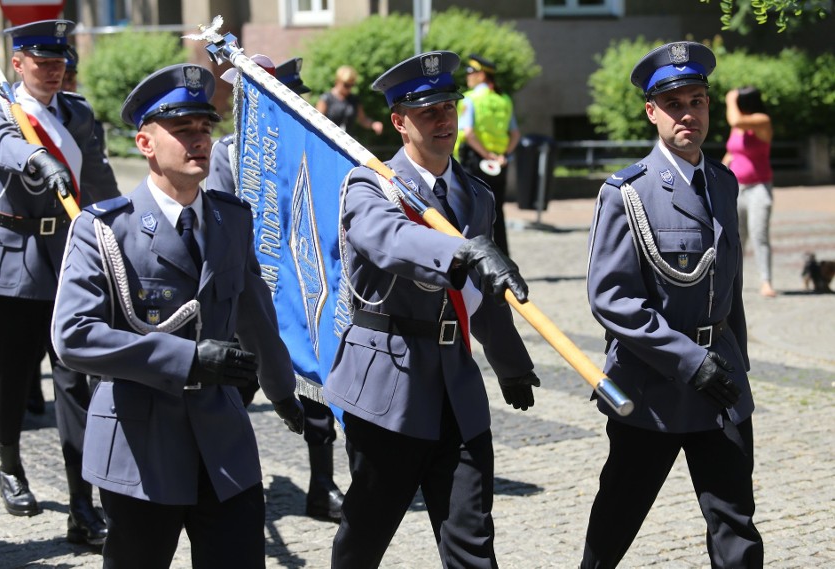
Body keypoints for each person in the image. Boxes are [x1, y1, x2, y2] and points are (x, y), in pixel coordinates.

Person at [51, 63, 306, 568]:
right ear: (146, 144)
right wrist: (188, 359)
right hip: (139, 443)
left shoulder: (230, 219)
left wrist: (282, 391)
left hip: (222, 441)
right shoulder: (104, 228)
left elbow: (253, 312)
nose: (199, 141)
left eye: (205, 128)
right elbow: (74, 338)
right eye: (182, 130)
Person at [323, 50, 541, 569]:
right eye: (428, 112)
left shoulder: (476, 196)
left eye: (449, 106)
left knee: (471, 541)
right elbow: (387, 241)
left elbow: (484, 298)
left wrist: (511, 365)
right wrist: (462, 253)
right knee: (365, 535)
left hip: (457, 391)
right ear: (399, 122)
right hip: (388, 388)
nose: (444, 120)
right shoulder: (370, 186)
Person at [581, 42, 764, 568]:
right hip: (652, 389)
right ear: (652, 112)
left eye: (698, 101)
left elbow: (728, 288)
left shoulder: (724, 184)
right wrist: (689, 362)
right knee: (617, 517)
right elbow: (611, 298)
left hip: (721, 383)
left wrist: (736, 364)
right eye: (675, 103)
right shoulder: (628, 192)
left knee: (735, 523)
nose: (689, 114)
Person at [0, 19, 118, 546]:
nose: (54, 70)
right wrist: (39, 157)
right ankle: (11, 464)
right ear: (18, 64)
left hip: (68, 254)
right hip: (14, 257)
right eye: (42, 62)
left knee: (74, 378)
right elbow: (0, 146)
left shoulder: (78, 113)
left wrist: (118, 230)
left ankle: (83, 505)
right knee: (13, 374)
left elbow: (102, 179)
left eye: (60, 61)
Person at [206, 54, 346, 523]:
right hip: (246, 289)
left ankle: (322, 484)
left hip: (300, 283)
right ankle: (221, 485)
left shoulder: (312, 153)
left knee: (314, 388)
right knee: (235, 388)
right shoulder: (225, 154)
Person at [454, 54, 520, 256]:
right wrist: (502, 156)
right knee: (497, 212)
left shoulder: (470, 98)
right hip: (499, 163)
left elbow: (469, 133)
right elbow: (515, 134)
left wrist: (486, 155)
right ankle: (502, 259)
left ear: (482, 75)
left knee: (471, 213)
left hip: (475, 162)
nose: (467, 76)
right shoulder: (504, 99)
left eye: (471, 72)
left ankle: (475, 259)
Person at [722, 86, 776, 297]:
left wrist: (730, 99)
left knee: (759, 234)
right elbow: (732, 151)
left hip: (759, 188)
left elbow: (734, 120)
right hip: (737, 188)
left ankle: (766, 281)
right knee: (736, 237)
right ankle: (733, 282)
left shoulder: (762, 120)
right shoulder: (739, 125)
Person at [315, 64, 383, 136]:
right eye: (346, 85)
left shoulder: (354, 100)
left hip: (347, 140)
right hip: (328, 138)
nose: (349, 88)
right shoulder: (326, 98)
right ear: (337, 81)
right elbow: (317, 120)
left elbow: (363, 119)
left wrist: (373, 124)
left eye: (351, 85)